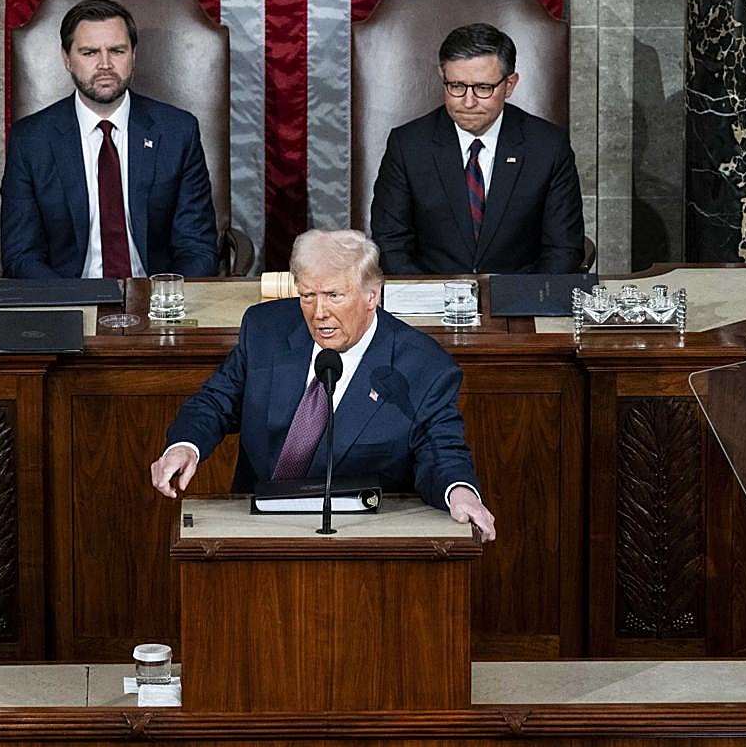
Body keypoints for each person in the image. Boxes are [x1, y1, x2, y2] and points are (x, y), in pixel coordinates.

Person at [149, 229, 496, 542]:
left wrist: (460, 492)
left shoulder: (423, 366)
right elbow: (215, 402)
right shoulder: (265, 330)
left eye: (334, 295)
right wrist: (184, 446)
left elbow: (441, 451)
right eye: (308, 296)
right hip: (257, 528)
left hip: (361, 537)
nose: (319, 313)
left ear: (372, 296)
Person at [0, 0, 219, 279]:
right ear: (66, 58)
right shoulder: (31, 140)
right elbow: (21, 254)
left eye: (117, 51)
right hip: (68, 300)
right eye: (89, 53)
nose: (105, 64)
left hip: (158, 302)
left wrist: (164, 299)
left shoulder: (177, 132)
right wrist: (70, 302)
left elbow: (197, 247)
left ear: (133, 55)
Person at [370, 23, 584, 276]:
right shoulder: (408, 145)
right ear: (443, 78)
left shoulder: (547, 146)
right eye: (457, 86)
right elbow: (391, 244)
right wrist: (428, 300)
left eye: (483, 88)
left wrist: (522, 301)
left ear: (510, 85)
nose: (468, 102)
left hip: (519, 301)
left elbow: (563, 249)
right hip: (429, 299)